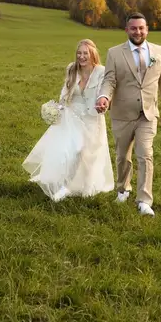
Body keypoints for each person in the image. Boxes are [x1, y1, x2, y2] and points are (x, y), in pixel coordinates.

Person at [95, 13, 161, 217]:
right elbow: (109, 79)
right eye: (133, 28)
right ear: (127, 30)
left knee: (145, 154)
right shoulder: (114, 53)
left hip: (148, 114)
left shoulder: (159, 51)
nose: (138, 32)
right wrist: (104, 97)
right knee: (123, 156)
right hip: (122, 113)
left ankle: (144, 201)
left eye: (141, 28)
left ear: (147, 29)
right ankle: (123, 189)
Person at [23, 39, 114, 202]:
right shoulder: (72, 69)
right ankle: (66, 185)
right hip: (72, 117)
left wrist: (104, 104)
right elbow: (65, 91)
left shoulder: (101, 71)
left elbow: (105, 93)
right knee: (71, 151)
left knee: (87, 154)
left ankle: (84, 185)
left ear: (92, 54)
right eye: (79, 53)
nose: (82, 56)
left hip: (92, 119)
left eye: (85, 53)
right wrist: (57, 108)